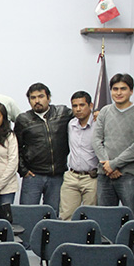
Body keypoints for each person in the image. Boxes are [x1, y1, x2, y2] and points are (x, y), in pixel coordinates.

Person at [92, 73, 134, 220]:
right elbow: (96, 140)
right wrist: (108, 166)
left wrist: (114, 164)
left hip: (129, 175)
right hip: (104, 174)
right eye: (115, 89)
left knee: (132, 218)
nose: (118, 93)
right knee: (105, 219)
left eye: (123, 89)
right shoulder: (105, 111)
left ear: (131, 91)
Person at [14, 83, 71, 212]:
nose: (37, 101)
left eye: (41, 96)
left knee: (53, 214)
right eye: (33, 98)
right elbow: (16, 147)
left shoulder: (63, 113)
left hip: (57, 175)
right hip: (33, 176)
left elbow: (82, 117)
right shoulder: (23, 119)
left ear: (49, 97)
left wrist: (96, 113)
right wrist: (23, 170)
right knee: (27, 214)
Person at [58, 91, 98, 220]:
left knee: (90, 217)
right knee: (65, 216)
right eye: (74, 106)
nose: (78, 109)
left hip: (91, 178)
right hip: (72, 177)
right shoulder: (71, 124)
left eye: (82, 105)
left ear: (90, 105)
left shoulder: (99, 124)